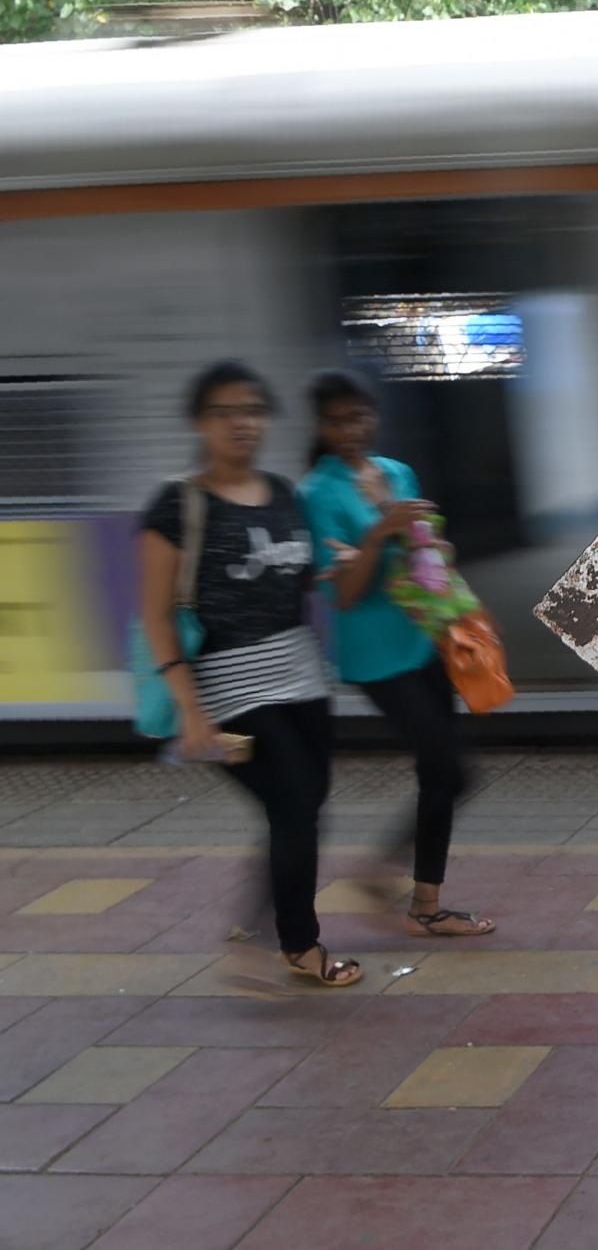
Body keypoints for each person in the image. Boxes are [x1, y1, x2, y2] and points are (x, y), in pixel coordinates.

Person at [139, 361, 358, 986]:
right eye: (226, 410)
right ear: (200, 422)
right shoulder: (178, 504)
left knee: (306, 806)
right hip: (231, 692)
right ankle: (300, 945)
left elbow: (292, 572)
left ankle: (261, 921)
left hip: (303, 679)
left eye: (255, 410)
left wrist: (333, 562)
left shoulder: (283, 492)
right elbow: (156, 613)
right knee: (293, 805)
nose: (243, 422)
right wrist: (189, 708)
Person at [298, 369, 494, 940]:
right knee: (449, 770)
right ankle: (411, 897)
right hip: (374, 658)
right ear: (320, 425)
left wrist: (434, 548)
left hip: (422, 640)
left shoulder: (396, 471)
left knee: (445, 775)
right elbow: (344, 593)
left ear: (373, 415)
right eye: (336, 420)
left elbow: (424, 556)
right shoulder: (317, 494)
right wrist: (381, 532)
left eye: (358, 416)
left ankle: (413, 895)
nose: (350, 429)